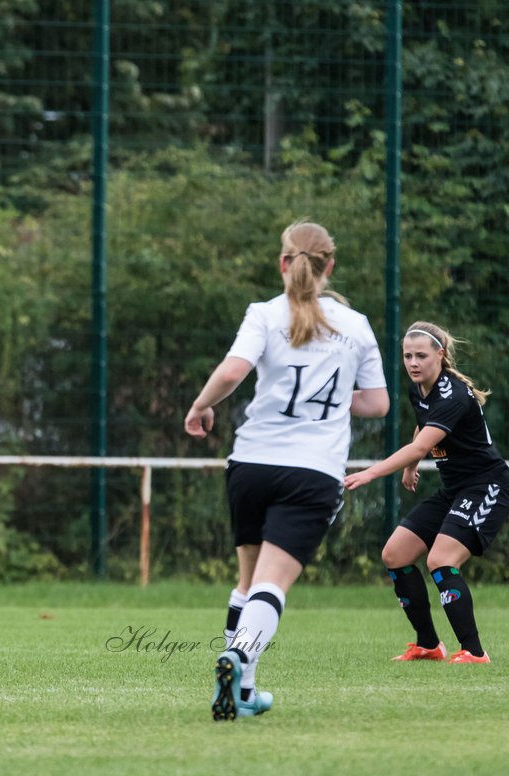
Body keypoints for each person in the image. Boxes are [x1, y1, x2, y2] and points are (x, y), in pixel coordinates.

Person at [184, 221, 389, 720]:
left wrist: (200, 406)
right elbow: (378, 404)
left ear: (283, 262)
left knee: (248, 579)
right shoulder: (355, 324)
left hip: (251, 463)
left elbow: (234, 371)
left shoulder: (264, 314)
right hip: (311, 471)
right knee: (271, 586)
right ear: (330, 266)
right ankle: (239, 656)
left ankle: (242, 692)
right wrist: (337, 401)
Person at [344, 322, 503, 664]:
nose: (413, 362)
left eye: (421, 355)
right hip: (454, 489)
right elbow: (424, 428)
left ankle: (475, 653)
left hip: (486, 485)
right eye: (407, 356)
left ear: (440, 355)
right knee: (395, 555)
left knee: (440, 560)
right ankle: (429, 645)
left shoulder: (454, 394)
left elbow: (421, 445)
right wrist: (411, 466)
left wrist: (373, 471)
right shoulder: (420, 389)